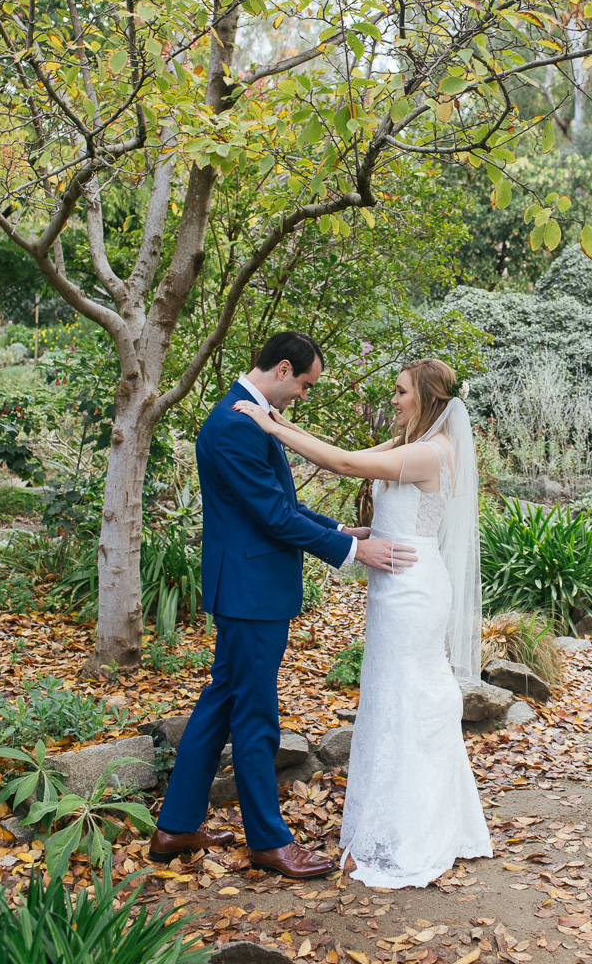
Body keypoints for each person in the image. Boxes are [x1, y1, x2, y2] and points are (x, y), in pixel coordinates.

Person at [149, 332, 416, 880]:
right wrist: (353, 549)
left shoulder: (243, 416)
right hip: (251, 593)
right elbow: (273, 516)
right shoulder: (233, 426)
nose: (303, 395)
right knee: (254, 717)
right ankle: (269, 843)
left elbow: (281, 505)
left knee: (221, 703)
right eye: (305, 385)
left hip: (250, 587)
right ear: (284, 369)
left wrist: (340, 527)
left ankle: (175, 825)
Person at [233, 357, 492, 889]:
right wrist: (281, 426)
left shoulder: (430, 451)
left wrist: (268, 425)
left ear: (425, 396)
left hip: (412, 588)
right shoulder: (406, 446)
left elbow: (347, 466)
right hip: (393, 584)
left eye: (401, 392)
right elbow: (345, 458)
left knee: (407, 697)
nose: (393, 400)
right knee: (391, 696)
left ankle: (413, 830)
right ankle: (401, 819)